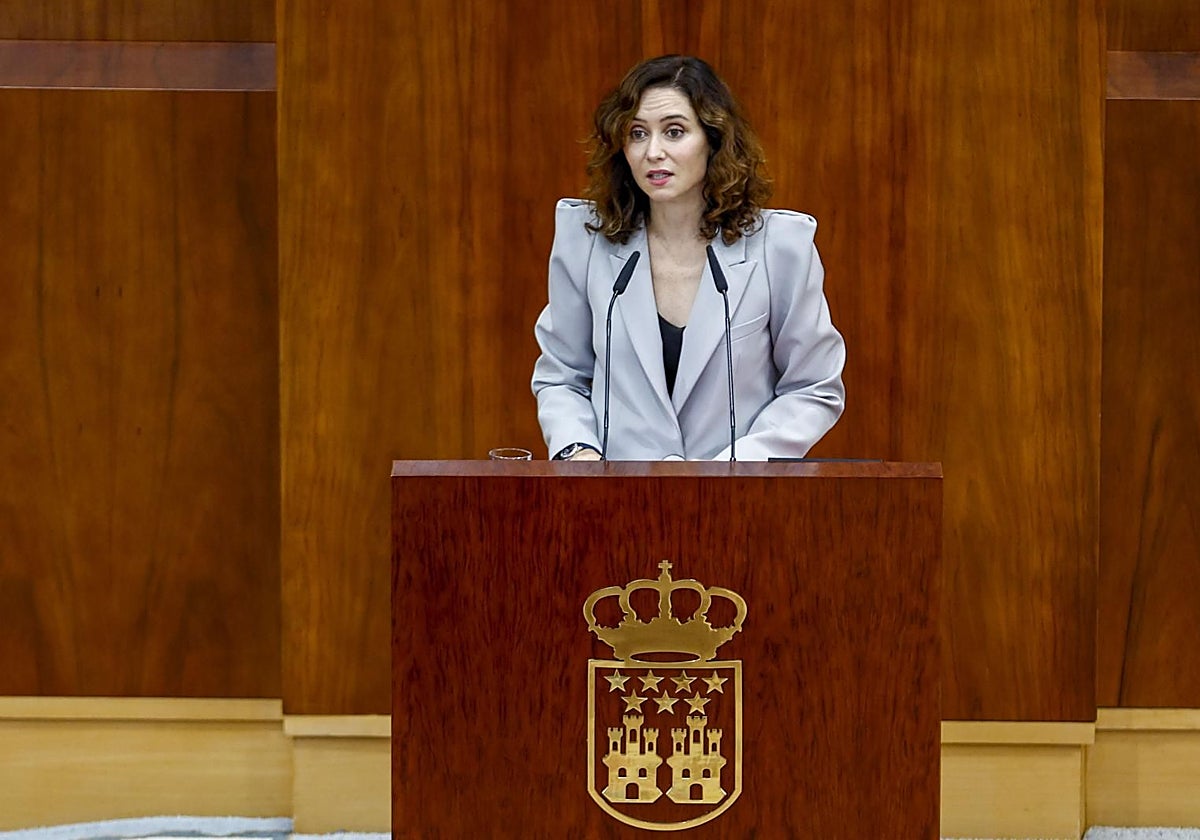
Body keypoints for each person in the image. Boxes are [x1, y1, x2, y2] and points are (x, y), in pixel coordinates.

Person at [531, 55, 845, 461]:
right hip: (612, 503)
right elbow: (562, 376)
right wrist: (579, 453)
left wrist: (740, 465)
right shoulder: (587, 241)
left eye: (674, 132)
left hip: (736, 500)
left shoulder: (779, 247)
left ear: (713, 139)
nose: (653, 151)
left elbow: (813, 386)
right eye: (638, 133)